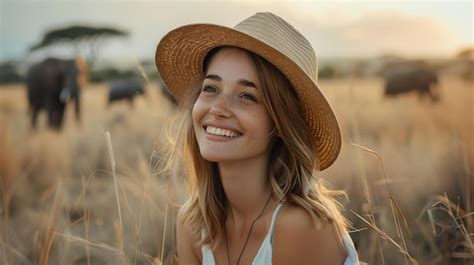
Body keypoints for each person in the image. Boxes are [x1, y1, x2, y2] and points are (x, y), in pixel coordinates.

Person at [155, 12, 360, 265]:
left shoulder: (299, 227)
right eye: (211, 88)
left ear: (282, 122)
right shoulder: (193, 223)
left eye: (247, 96)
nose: (218, 108)